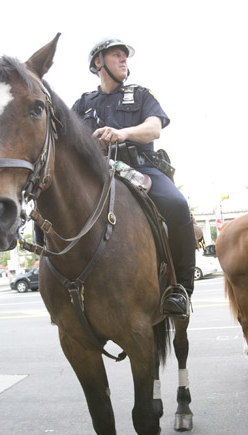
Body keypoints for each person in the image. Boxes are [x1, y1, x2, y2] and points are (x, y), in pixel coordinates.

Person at [72, 37, 195, 316]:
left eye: (125, 56)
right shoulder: (83, 103)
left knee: (177, 205)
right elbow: (69, 141)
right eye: (116, 55)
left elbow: (154, 129)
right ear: (98, 62)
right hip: (96, 172)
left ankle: (182, 288)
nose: (124, 59)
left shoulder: (140, 94)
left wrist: (122, 133)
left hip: (140, 168)